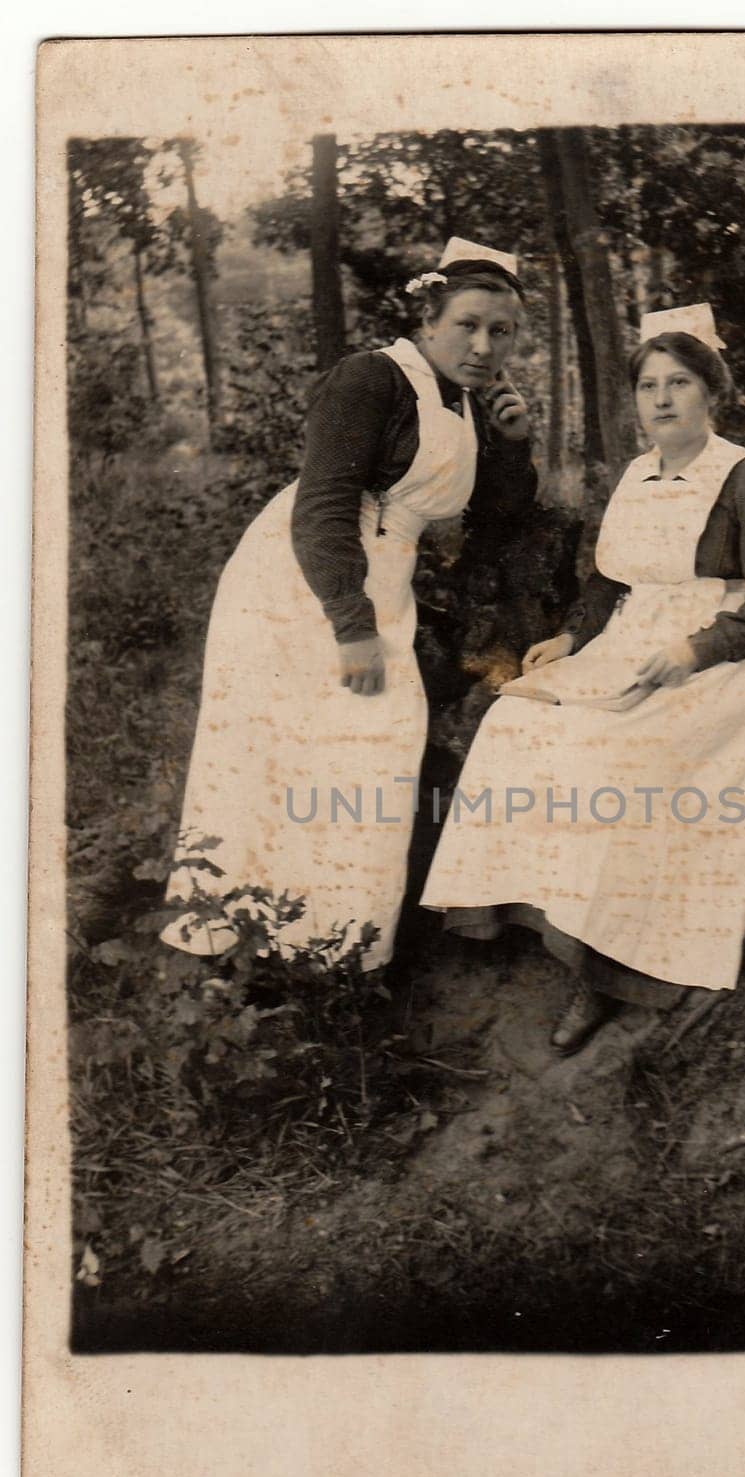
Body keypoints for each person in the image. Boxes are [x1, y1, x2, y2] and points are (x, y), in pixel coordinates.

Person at [421, 303, 745, 1054]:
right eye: (648, 385)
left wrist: (695, 651)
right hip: (628, 645)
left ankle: (603, 973)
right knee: (516, 722)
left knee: (615, 764)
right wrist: (572, 638)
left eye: (680, 383)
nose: (661, 400)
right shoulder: (635, 473)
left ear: (711, 393)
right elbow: (607, 581)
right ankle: (528, 914)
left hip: (721, 672)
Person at [162, 237, 536, 964]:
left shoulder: (464, 403)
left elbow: (498, 516)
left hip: (382, 581)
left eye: (503, 330)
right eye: (468, 323)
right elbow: (323, 504)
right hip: (302, 582)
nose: (485, 344)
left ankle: (327, 952)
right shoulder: (373, 378)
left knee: (360, 760)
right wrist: (352, 626)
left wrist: (515, 444)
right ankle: (237, 945)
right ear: (429, 318)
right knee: (277, 754)